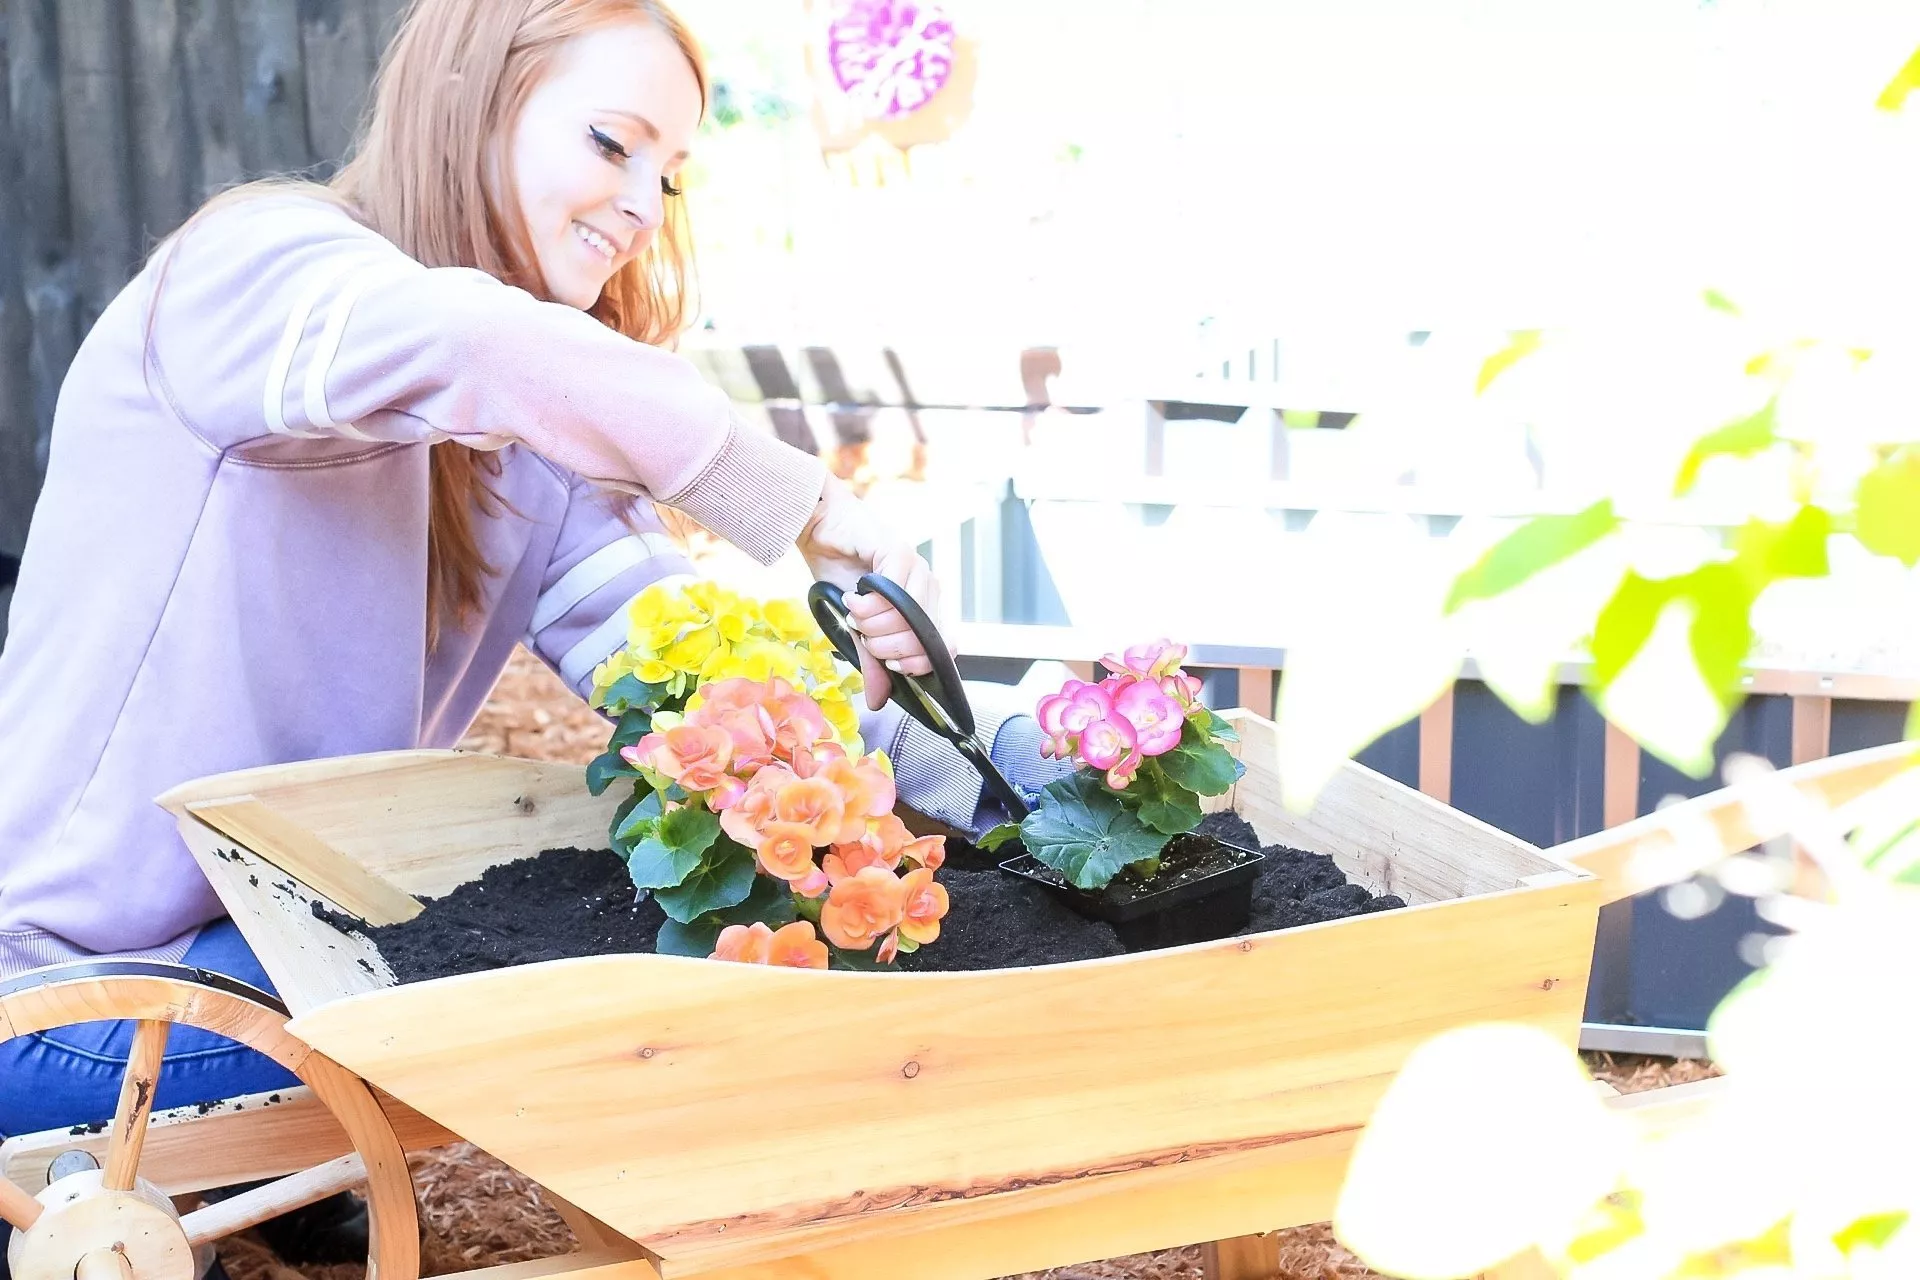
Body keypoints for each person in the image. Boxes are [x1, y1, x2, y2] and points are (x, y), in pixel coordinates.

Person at [0, 0, 1059, 1264]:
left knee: (619, 928)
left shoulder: (525, 456)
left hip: (258, 938)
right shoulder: (256, 276)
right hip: (64, 997)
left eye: (669, 174)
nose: (642, 202)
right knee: (559, 980)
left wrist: (991, 778)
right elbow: (473, 338)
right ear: (471, 101)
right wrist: (801, 500)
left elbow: (698, 672)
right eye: (612, 143)